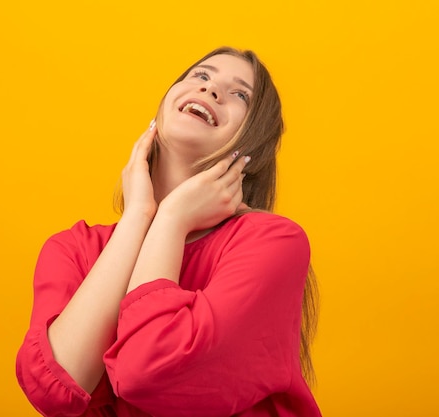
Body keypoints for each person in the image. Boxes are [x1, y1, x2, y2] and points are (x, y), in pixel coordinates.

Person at [16, 46, 321, 417]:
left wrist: (172, 218)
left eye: (240, 94)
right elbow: (57, 391)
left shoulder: (273, 243)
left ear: (252, 144)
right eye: (201, 76)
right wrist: (138, 216)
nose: (211, 90)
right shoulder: (74, 249)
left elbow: (147, 372)